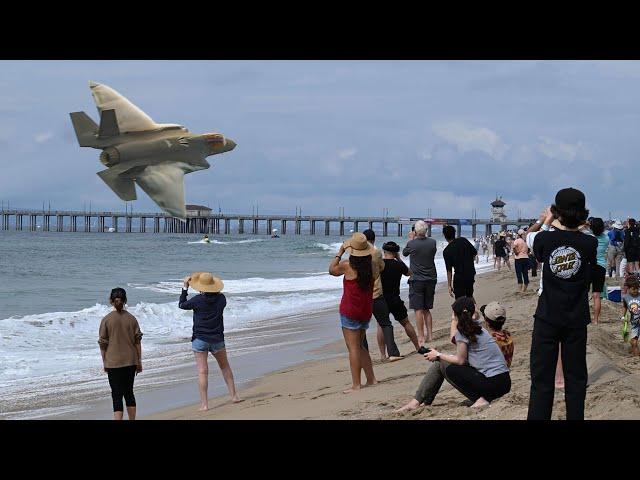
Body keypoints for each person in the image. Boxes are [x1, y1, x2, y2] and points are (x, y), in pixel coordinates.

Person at [524, 188, 601, 420]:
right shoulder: (589, 243)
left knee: (541, 381)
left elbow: (533, 243)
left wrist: (547, 220)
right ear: (582, 214)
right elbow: (582, 234)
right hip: (576, 318)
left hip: (547, 317)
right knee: (576, 380)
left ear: (557, 212)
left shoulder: (545, 238)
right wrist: (577, 225)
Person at [395, 297, 511, 412]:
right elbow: (466, 358)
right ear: (472, 313)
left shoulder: (463, 332)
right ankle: (422, 401)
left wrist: (439, 355)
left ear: (455, 315)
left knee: (449, 368)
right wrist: (441, 355)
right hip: (504, 383)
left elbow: (460, 360)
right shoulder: (479, 328)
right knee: (445, 361)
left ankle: (479, 399)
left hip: (490, 385)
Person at [179, 272, 241, 411]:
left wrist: (185, 288)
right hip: (217, 338)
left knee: (202, 372)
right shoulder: (221, 299)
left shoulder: (197, 300)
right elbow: (215, 296)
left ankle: (205, 404)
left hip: (200, 339)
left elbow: (182, 304)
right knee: (225, 367)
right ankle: (234, 396)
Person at [329, 232, 378, 393]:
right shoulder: (371, 266)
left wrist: (340, 252)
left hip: (350, 310)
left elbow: (331, 270)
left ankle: (356, 384)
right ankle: (371, 379)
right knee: (360, 346)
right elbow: (379, 268)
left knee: (354, 348)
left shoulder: (347, 265)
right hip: (365, 310)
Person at [98, 287, 143, 420]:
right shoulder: (132, 319)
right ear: (125, 301)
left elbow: (102, 343)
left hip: (113, 362)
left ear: (111, 301)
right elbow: (137, 342)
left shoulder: (106, 319)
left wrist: (104, 361)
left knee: (116, 395)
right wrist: (139, 361)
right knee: (129, 393)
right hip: (130, 361)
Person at [362, 229, 402, 362]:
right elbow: (382, 267)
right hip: (375, 293)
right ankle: (393, 353)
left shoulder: (356, 254)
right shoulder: (376, 253)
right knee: (385, 324)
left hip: (361, 295)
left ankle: (365, 355)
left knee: (361, 327)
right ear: (373, 240)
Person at [380, 241, 421, 352]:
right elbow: (409, 273)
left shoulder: (380, 264)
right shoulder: (398, 265)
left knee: (382, 325)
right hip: (395, 298)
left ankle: (383, 354)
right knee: (406, 323)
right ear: (396, 253)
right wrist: (399, 259)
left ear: (384, 251)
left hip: (382, 299)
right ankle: (417, 347)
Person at [402, 220, 438, 348]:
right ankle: (430, 335)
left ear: (416, 231)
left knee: (418, 309)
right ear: (426, 231)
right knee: (427, 308)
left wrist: (411, 239)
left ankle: (421, 336)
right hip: (431, 277)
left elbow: (404, 253)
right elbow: (431, 252)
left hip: (417, 278)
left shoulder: (412, 243)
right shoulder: (433, 242)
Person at [442, 224, 477, 300]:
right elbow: (474, 253)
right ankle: (475, 310)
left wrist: (449, 285)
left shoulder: (446, 251)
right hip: (470, 272)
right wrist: (469, 262)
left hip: (460, 276)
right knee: (469, 295)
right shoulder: (463, 240)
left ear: (444, 236)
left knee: (460, 300)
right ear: (454, 233)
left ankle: (472, 310)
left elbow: (449, 270)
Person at [480, 302, 514, 368]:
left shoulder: (490, 340)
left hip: (492, 373)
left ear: (486, 321)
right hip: (504, 371)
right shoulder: (507, 335)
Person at [590, 217, 609, 325]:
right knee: (597, 295)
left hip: (588, 266)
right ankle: (596, 320)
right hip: (601, 266)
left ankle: (584, 318)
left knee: (583, 293)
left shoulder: (588, 237)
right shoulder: (606, 238)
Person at [622, 276, 640, 356]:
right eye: (633, 289)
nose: (636, 290)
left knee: (635, 341)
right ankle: (635, 355)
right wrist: (623, 316)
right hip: (634, 323)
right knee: (634, 342)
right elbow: (625, 307)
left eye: (637, 288)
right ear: (628, 288)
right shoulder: (626, 297)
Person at [513, 228, 530, 293]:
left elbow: (514, 247)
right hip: (526, 258)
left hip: (518, 259)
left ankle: (520, 290)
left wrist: (516, 252)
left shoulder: (517, 240)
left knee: (519, 274)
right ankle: (524, 289)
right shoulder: (525, 241)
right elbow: (528, 250)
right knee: (525, 273)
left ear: (518, 234)